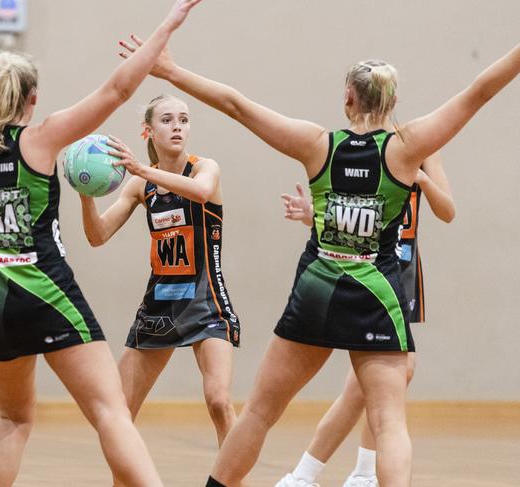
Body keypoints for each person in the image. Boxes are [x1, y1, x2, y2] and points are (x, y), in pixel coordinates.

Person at [118, 34, 520, 487]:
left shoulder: (317, 145)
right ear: (392, 101)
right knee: (390, 425)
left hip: (317, 288)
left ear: (347, 97)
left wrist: (171, 71)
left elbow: (236, 104)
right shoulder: (408, 148)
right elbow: (480, 90)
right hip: (376, 293)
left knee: (261, 412)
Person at [0, 0, 203, 485]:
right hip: (45, 290)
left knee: (12, 418)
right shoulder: (42, 139)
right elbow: (119, 87)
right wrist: (168, 23)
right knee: (110, 411)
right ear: (31, 99)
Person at [277, 151, 455, 487]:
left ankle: (349, 472)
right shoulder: (358, 147)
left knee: (390, 378)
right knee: (367, 385)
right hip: (362, 266)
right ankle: (313, 474)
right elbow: (342, 217)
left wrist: (422, 179)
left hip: (400, 269)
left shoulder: (422, 147)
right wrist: (309, 215)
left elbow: (447, 211)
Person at [79, 94, 240, 456]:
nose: (178, 126)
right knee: (118, 412)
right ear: (148, 131)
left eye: (183, 119)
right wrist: (86, 194)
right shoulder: (141, 187)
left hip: (206, 301)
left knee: (218, 401)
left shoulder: (203, 169)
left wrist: (141, 169)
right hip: (160, 306)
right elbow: (97, 236)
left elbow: (201, 193)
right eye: (167, 120)